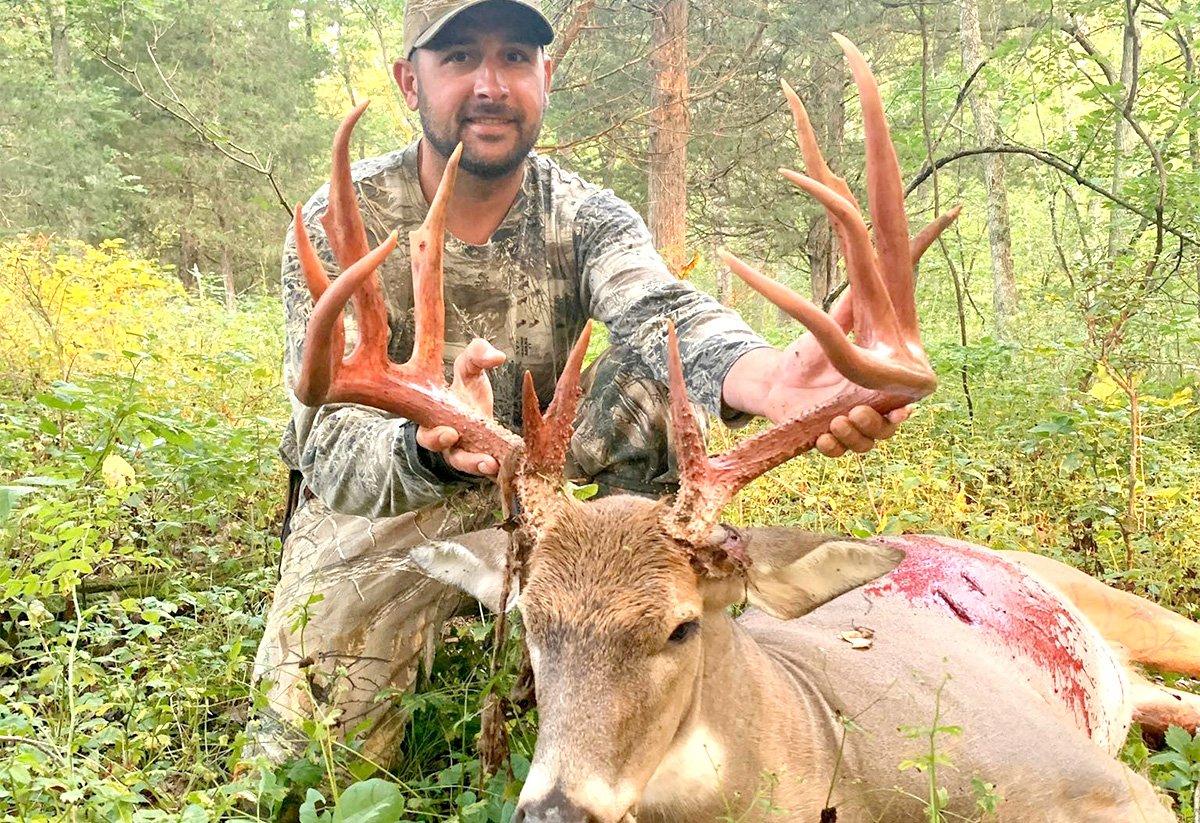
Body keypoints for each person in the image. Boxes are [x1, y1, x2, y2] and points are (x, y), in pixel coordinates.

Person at [244, 0, 909, 770]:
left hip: (558, 509)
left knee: (657, 369)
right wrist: (428, 447)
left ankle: (630, 622)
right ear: (409, 81)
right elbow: (327, 441)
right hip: (398, 501)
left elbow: (660, 309)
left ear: (546, 76)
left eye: (515, 58)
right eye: (459, 58)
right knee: (302, 765)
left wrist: (769, 378)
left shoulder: (586, 216)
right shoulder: (342, 218)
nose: (491, 85)